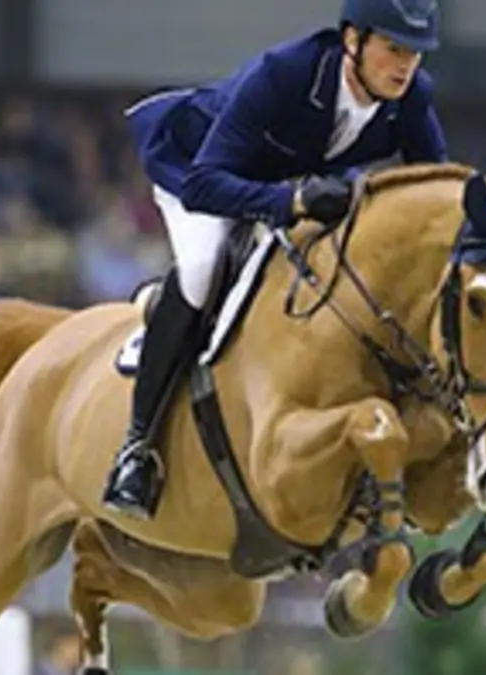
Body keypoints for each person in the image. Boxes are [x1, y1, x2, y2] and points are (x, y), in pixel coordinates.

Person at [102, 0, 450, 521]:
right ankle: (136, 450)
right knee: (202, 271)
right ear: (352, 40)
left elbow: (437, 190)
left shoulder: (410, 97)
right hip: (198, 169)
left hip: (285, 184)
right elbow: (204, 184)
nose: (405, 66)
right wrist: (291, 203)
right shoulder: (285, 74)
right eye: (394, 49)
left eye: (416, 54)